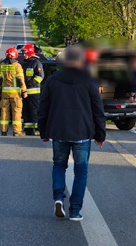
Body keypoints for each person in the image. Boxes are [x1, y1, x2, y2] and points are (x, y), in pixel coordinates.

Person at [38, 45, 106, 221]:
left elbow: (43, 107)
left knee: (59, 165)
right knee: (81, 171)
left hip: (58, 131)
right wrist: (100, 134)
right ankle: (75, 211)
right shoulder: (89, 80)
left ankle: (58, 198)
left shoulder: (53, 80)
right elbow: (98, 109)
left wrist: (43, 131)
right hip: (82, 133)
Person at [0, 47, 26, 136]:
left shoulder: (2, 66)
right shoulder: (17, 66)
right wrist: (24, 91)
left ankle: (4, 131)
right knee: (16, 112)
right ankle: (16, 131)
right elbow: (20, 80)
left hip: (5, 93)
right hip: (15, 94)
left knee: (4, 112)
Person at [20, 43, 44, 136]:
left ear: (30, 53)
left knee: (35, 111)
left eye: (25, 53)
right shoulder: (24, 63)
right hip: (25, 92)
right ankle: (28, 129)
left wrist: (30, 84)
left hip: (33, 91)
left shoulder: (36, 63)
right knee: (26, 111)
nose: (24, 55)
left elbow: (40, 77)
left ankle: (38, 129)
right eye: (23, 53)